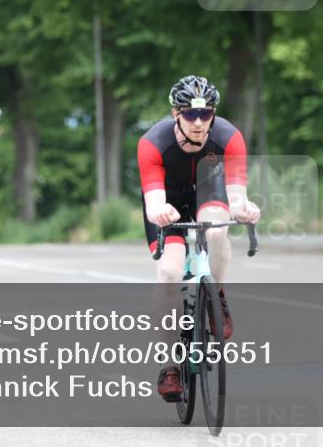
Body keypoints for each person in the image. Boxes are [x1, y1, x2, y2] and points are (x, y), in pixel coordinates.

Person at [138, 75, 261, 402]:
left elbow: (236, 197)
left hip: (210, 191)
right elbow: (153, 202)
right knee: (168, 273)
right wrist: (160, 211)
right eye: (190, 114)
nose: (198, 121)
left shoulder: (229, 137)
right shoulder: (152, 142)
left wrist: (246, 209)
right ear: (175, 113)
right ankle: (168, 366)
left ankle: (216, 296)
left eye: (205, 114)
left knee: (218, 229)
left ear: (213, 114)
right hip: (169, 201)